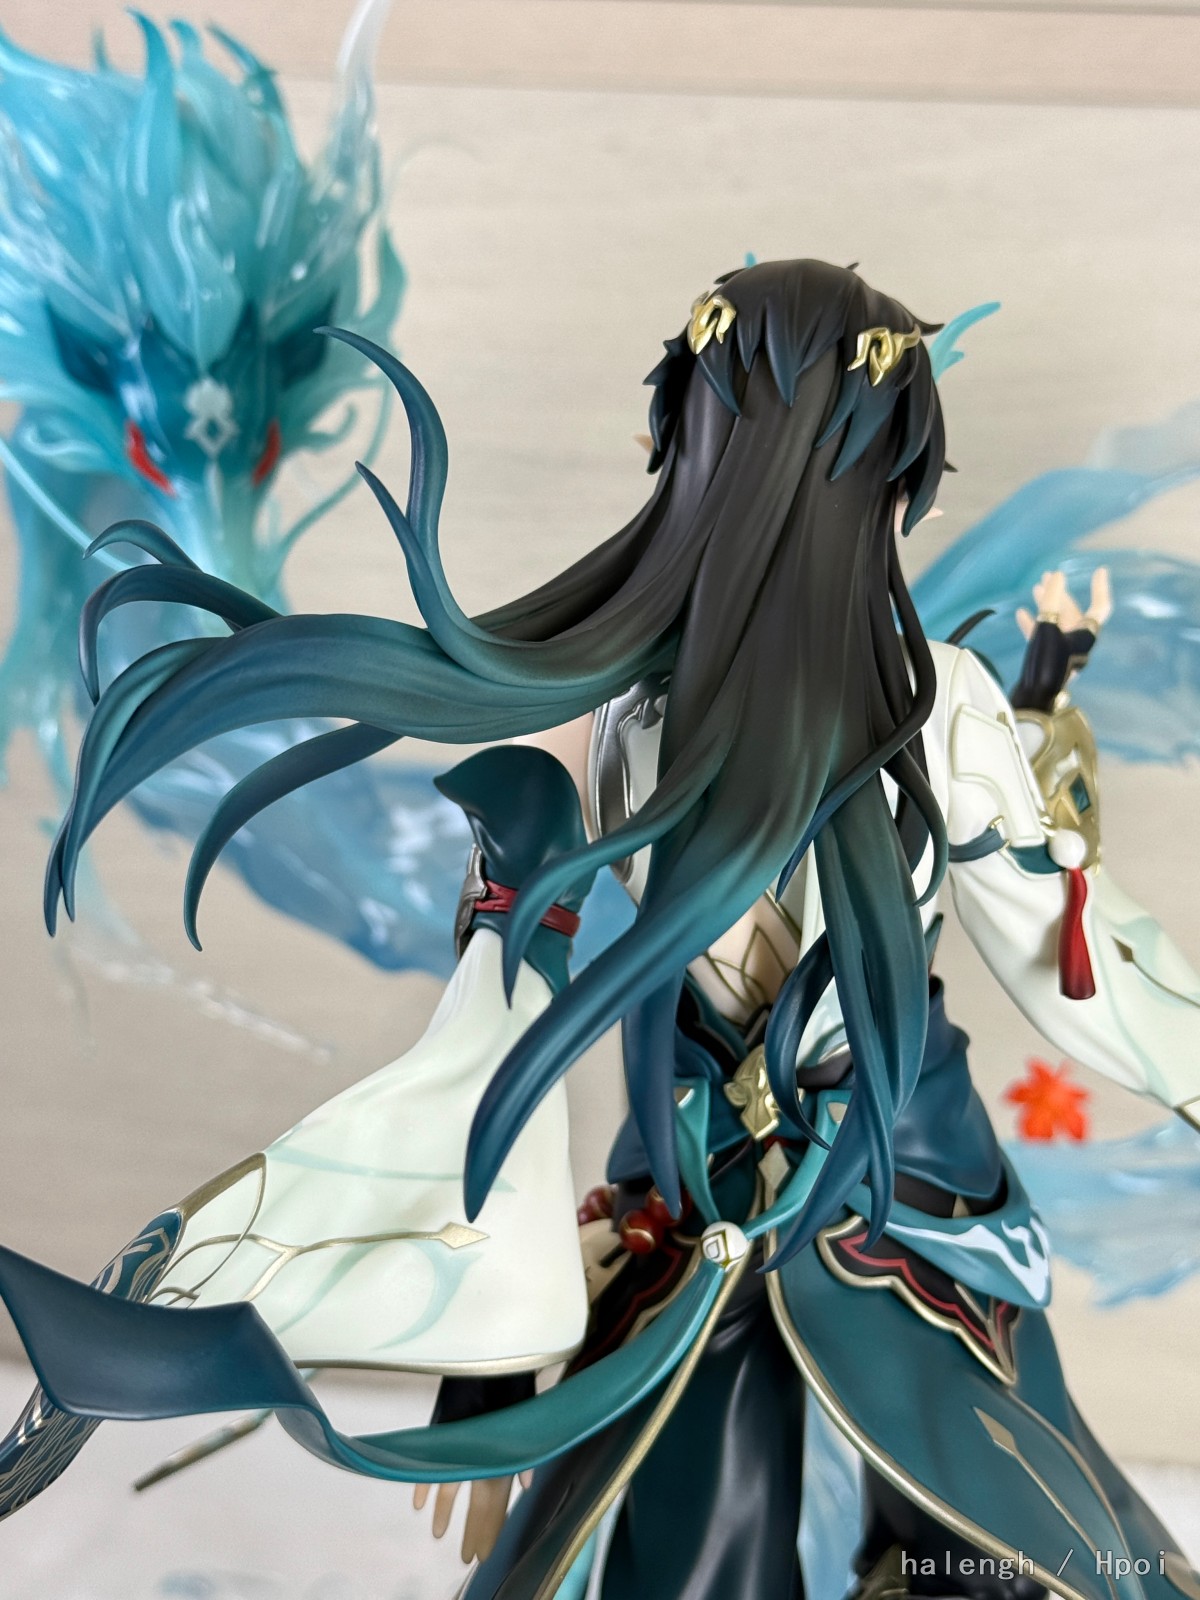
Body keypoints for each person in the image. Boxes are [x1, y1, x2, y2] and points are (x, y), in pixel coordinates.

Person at [1, 260, 1197, 1600]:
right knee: (684, 1561)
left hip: (902, 1209)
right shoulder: (621, 720)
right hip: (685, 1216)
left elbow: (1073, 957)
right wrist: (488, 1346)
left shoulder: (948, 710)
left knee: (1002, 1558)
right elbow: (493, 1050)